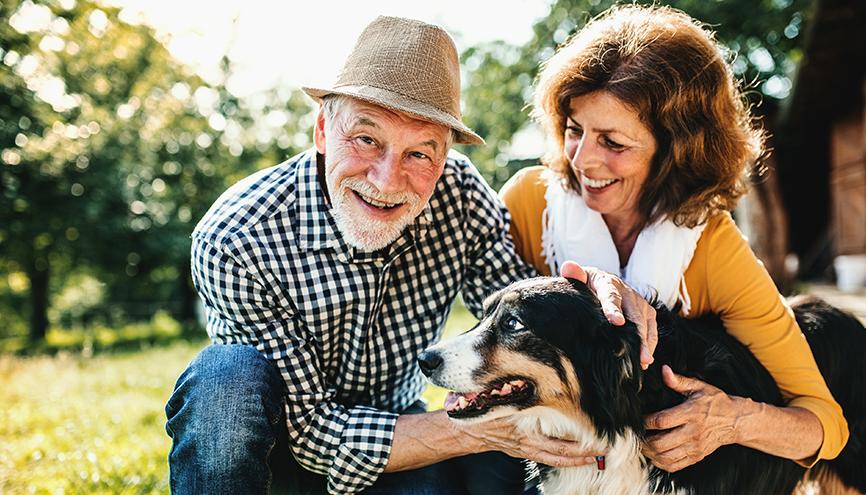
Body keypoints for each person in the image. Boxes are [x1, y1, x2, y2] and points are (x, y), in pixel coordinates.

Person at [164, 15, 656, 495]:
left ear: (444, 158)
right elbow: (310, 432)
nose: (385, 179)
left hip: (401, 441)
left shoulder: (459, 195)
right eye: (366, 138)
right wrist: (477, 431)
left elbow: (526, 311)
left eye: (419, 153)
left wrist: (598, 295)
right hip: (276, 455)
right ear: (321, 131)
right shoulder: (237, 237)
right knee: (223, 382)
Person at [500, 4, 849, 473]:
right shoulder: (528, 202)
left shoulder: (714, 249)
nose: (583, 160)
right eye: (574, 130)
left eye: (613, 143)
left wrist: (731, 420)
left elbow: (824, 426)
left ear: (675, 153)